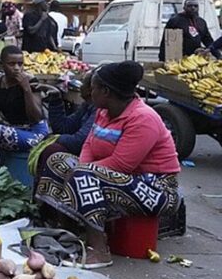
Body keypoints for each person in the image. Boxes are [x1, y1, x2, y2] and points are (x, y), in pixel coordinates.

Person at [34, 62, 181, 268]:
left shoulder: (143, 118)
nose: (90, 91)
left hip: (156, 188)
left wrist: (81, 171)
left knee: (83, 174)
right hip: (119, 179)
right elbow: (89, 146)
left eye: (93, 87)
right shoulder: (104, 112)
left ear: (105, 91)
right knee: (57, 160)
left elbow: (121, 164)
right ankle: (70, 233)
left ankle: (99, 249)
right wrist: (79, 168)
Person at [38, 72, 97, 164]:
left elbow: (78, 142)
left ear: (91, 89)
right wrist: (56, 99)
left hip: (93, 161)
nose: (80, 86)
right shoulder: (87, 105)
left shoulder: (99, 109)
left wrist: (54, 138)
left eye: (82, 82)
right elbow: (63, 128)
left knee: (53, 150)